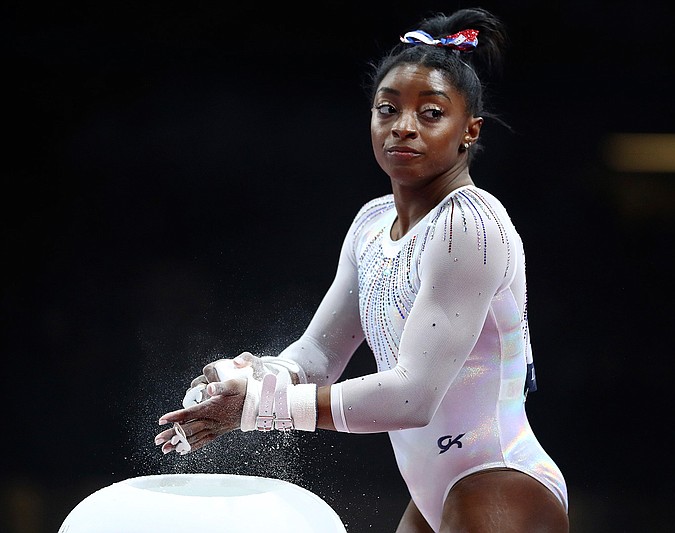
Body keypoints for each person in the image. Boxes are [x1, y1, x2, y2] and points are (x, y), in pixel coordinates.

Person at [155, 7, 569, 532]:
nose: (404, 127)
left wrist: (260, 407)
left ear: (470, 130)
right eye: (387, 109)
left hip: (499, 478)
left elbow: (412, 396)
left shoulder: (471, 226)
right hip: (432, 494)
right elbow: (319, 354)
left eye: (431, 113)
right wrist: (256, 375)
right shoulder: (372, 224)